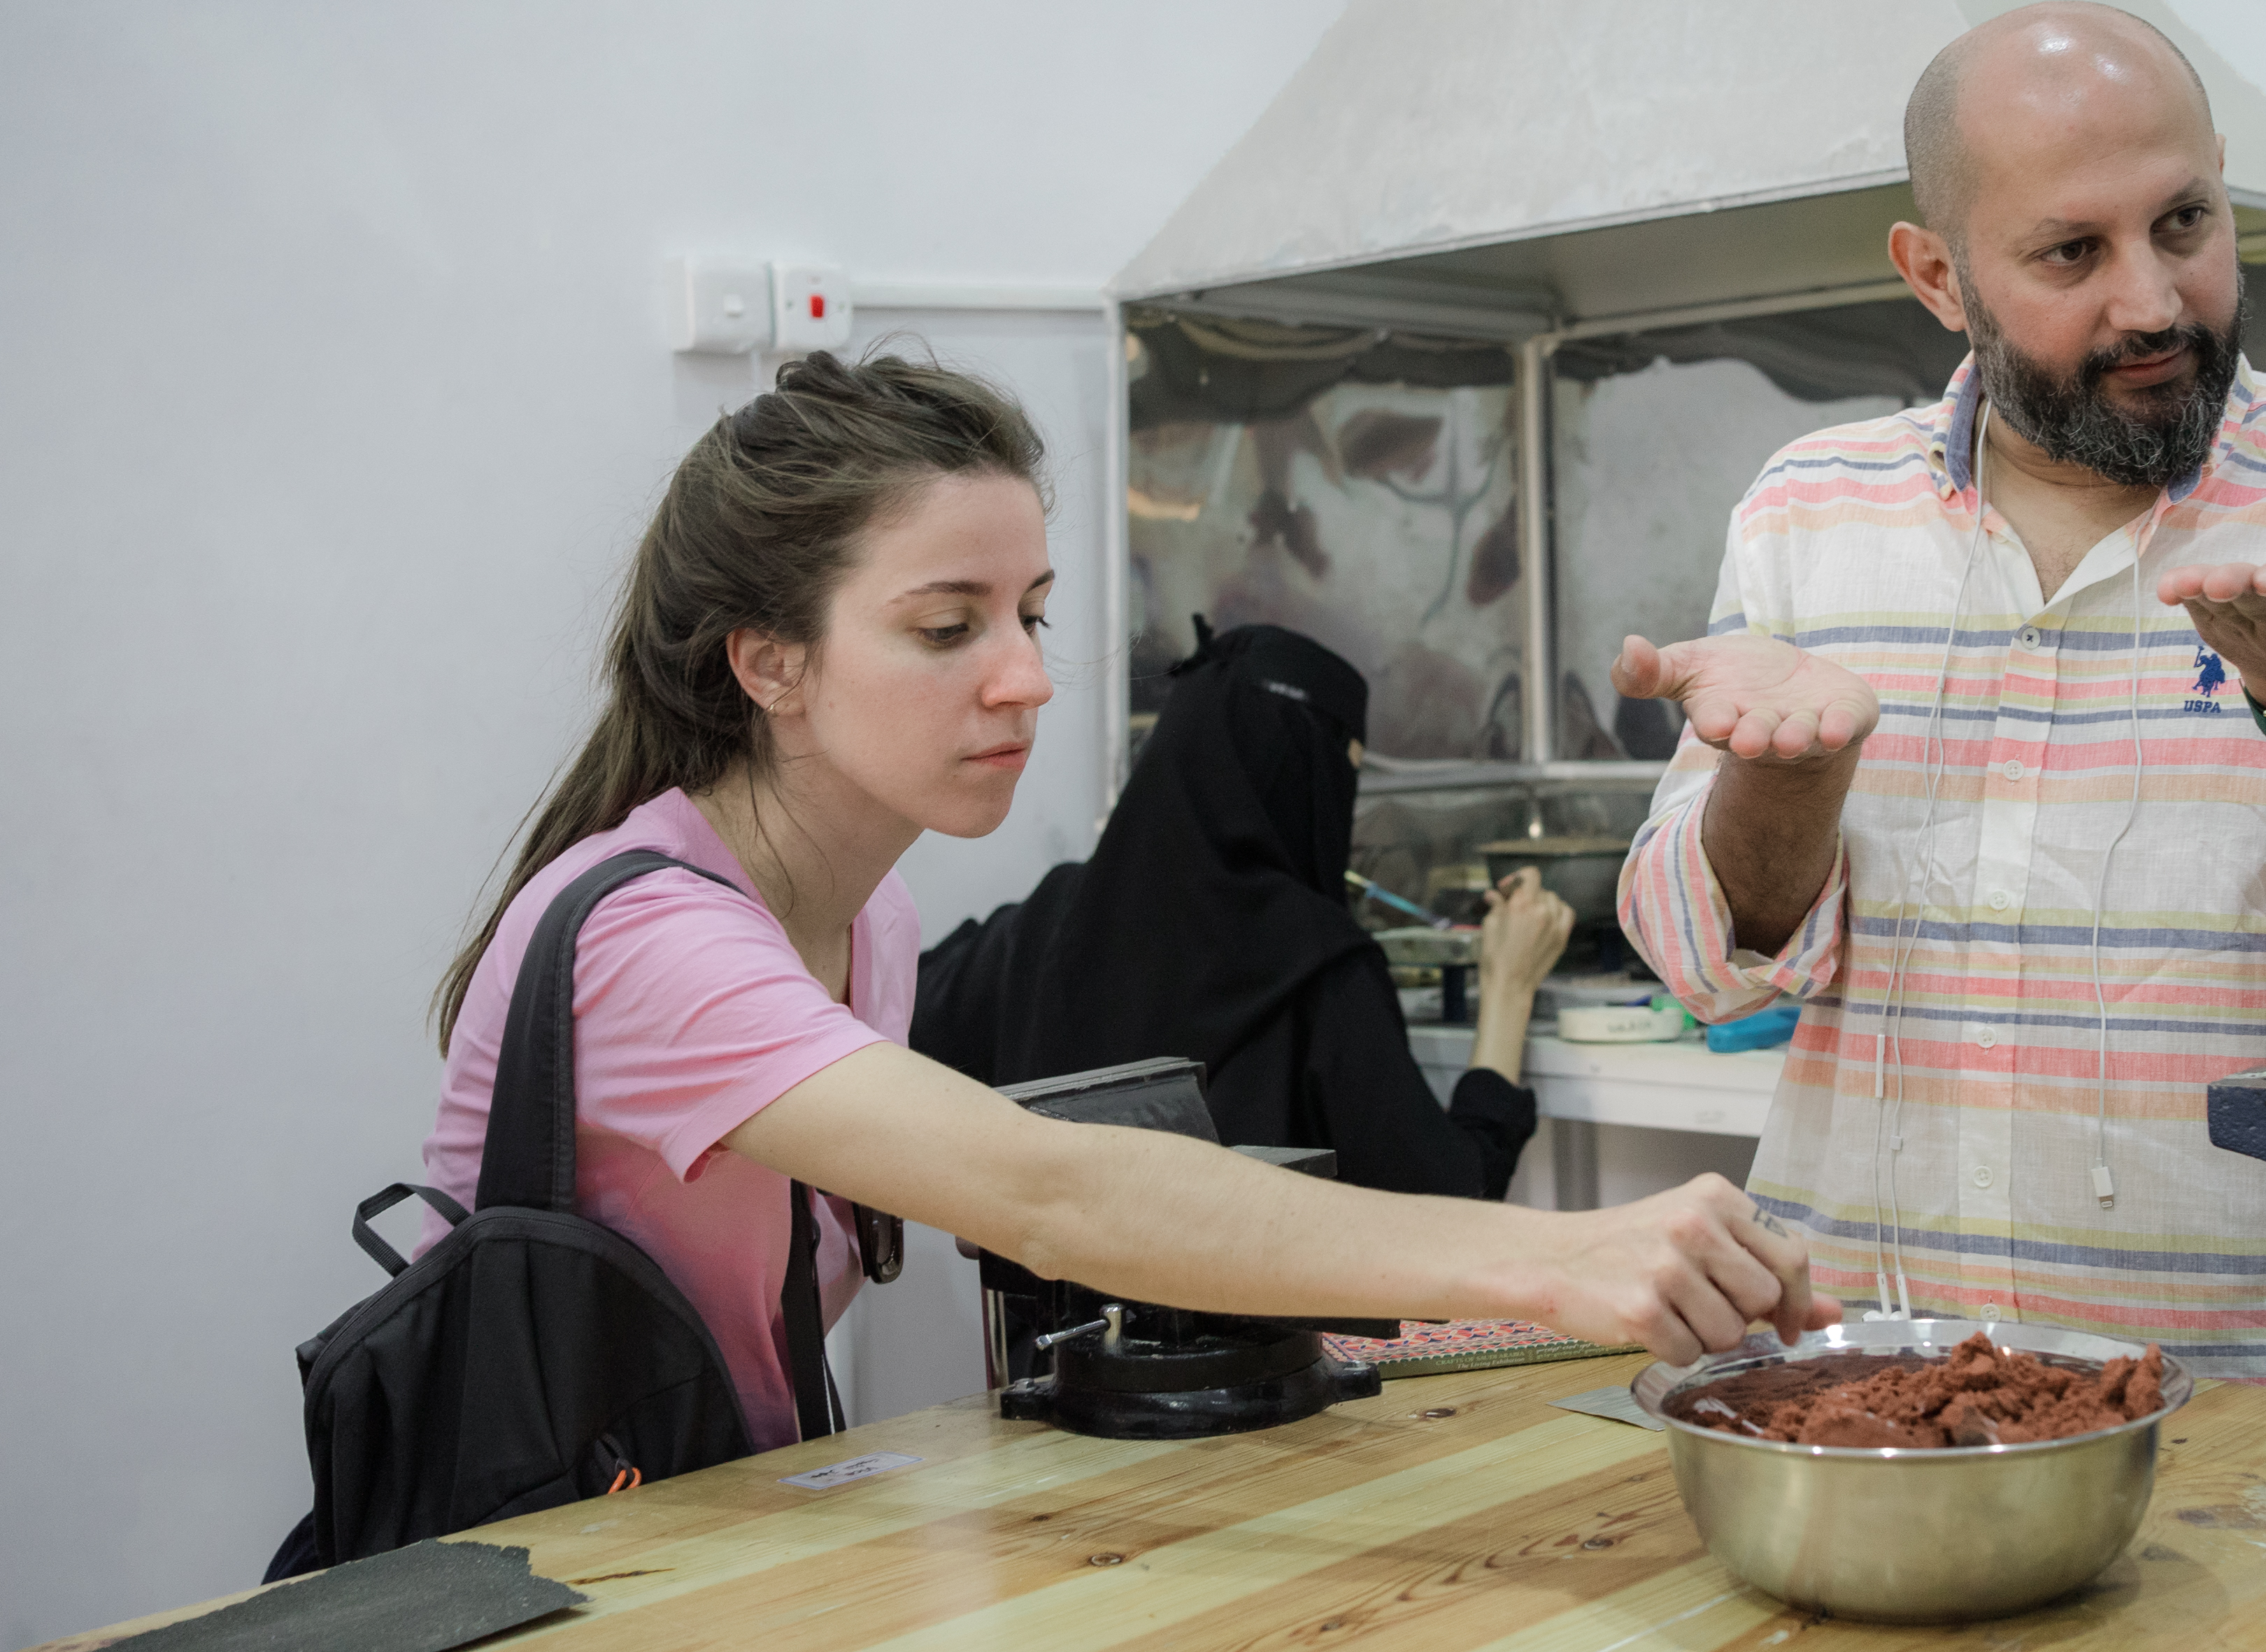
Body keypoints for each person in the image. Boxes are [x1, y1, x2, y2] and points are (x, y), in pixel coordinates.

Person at [418, 349, 1830, 1456]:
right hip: (548, 1573)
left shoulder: (879, 924)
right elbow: (1051, 1187)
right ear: (768, 662)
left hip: (714, 1545)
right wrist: (1557, 1256)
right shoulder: (647, 944)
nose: (1026, 676)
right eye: (943, 625)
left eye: (1029, 612)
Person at [1612, 3, 2266, 1397]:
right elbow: (1698, 969)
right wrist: (1779, 781)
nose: (2150, 301)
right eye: (2070, 252)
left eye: (2185, 222)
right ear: (1936, 276)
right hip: (1865, 1409)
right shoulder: (1810, 509)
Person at [911, 620, 1574, 1199]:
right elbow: (1449, 1207)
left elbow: (896, 1011)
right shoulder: (1315, 963)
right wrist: (1509, 989)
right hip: (1259, 1344)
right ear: (1303, 778)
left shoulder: (1048, 916)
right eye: (1345, 774)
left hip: (1053, 1343)